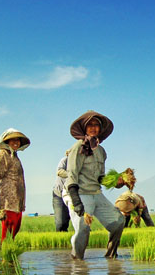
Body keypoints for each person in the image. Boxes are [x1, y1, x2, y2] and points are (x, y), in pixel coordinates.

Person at [64, 110, 125, 259]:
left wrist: (116, 182)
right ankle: (77, 261)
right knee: (83, 228)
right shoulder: (77, 148)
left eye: (96, 125)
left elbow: (100, 178)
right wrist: (76, 201)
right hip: (79, 193)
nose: (93, 128)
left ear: (101, 129)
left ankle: (111, 255)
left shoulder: (101, 151)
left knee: (119, 221)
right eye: (89, 125)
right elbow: (72, 174)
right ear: (84, 128)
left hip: (96, 193)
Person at [0, 128, 30, 242]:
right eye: (12, 140)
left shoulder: (15, 156)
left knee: (14, 231)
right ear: (7, 142)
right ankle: (5, 257)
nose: (16, 142)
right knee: (7, 232)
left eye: (17, 140)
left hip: (17, 201)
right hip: (8, 201)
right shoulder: (3, 155)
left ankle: (10, 257)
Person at [52, 151, 70, 232]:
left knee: (79, 221)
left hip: (72, 196)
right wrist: (73, 174)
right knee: (60, 223)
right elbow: (59, 171)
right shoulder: (65, 160)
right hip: (59, 194)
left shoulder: (81, 164)